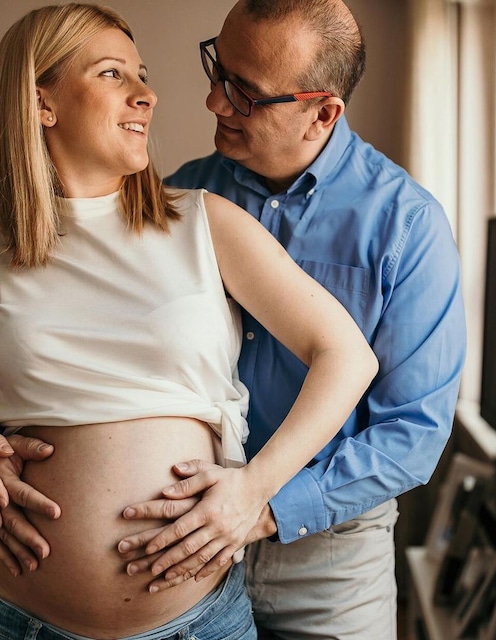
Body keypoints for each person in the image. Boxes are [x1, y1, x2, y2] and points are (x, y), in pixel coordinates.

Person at [0, 3, 378, 640]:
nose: (148, 94)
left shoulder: (202, 220)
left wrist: (253, 488)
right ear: (43, 103)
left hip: (197, 624)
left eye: (142, 75)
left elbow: (348, 356)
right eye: (113, 74)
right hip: (22, 620)